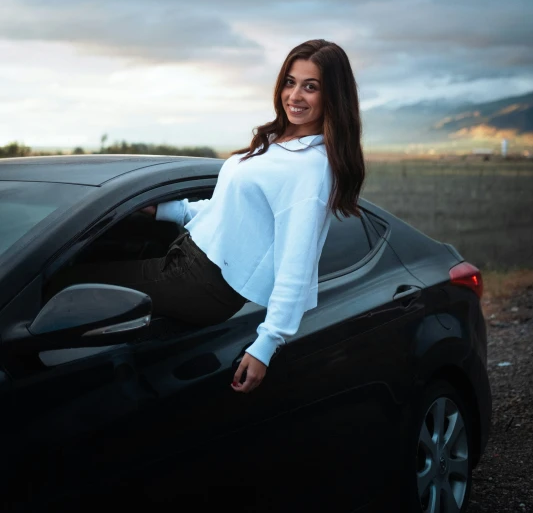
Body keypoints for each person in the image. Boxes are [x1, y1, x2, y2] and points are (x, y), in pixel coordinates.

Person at [46, 39, 365, 394]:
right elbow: (230, 212)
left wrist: (266, 344)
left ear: (333, 96)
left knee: (64, 284)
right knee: (72, 260)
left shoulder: (312, 169)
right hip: (187, 257)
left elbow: (297, 262)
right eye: (290, 82)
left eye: (311, 86)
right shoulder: (279, 143)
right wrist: (169, 210)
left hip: (203, 284)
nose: (295, 95)